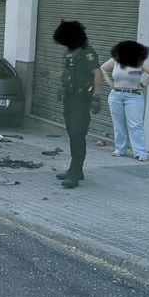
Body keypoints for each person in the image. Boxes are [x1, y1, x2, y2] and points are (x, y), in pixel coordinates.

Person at [53, 20, 104, 189]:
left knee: (77, 134)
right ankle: (76, 169)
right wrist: (51, 76)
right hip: (69, 97)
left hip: (81, 100)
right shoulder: (70, 53)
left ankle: (74, 174)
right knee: (71, 133)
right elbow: (67, 73)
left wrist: (97, 97)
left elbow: (97, 73)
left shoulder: (87, 52)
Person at [100, 41, 149, 162]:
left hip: (133, 96)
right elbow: (103, 68)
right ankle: (120, 149)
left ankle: (140, 152)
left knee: (135, 125)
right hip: (116, 95)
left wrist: (143, 84)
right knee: (118, 124)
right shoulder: (116, 60)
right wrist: (109, 83)